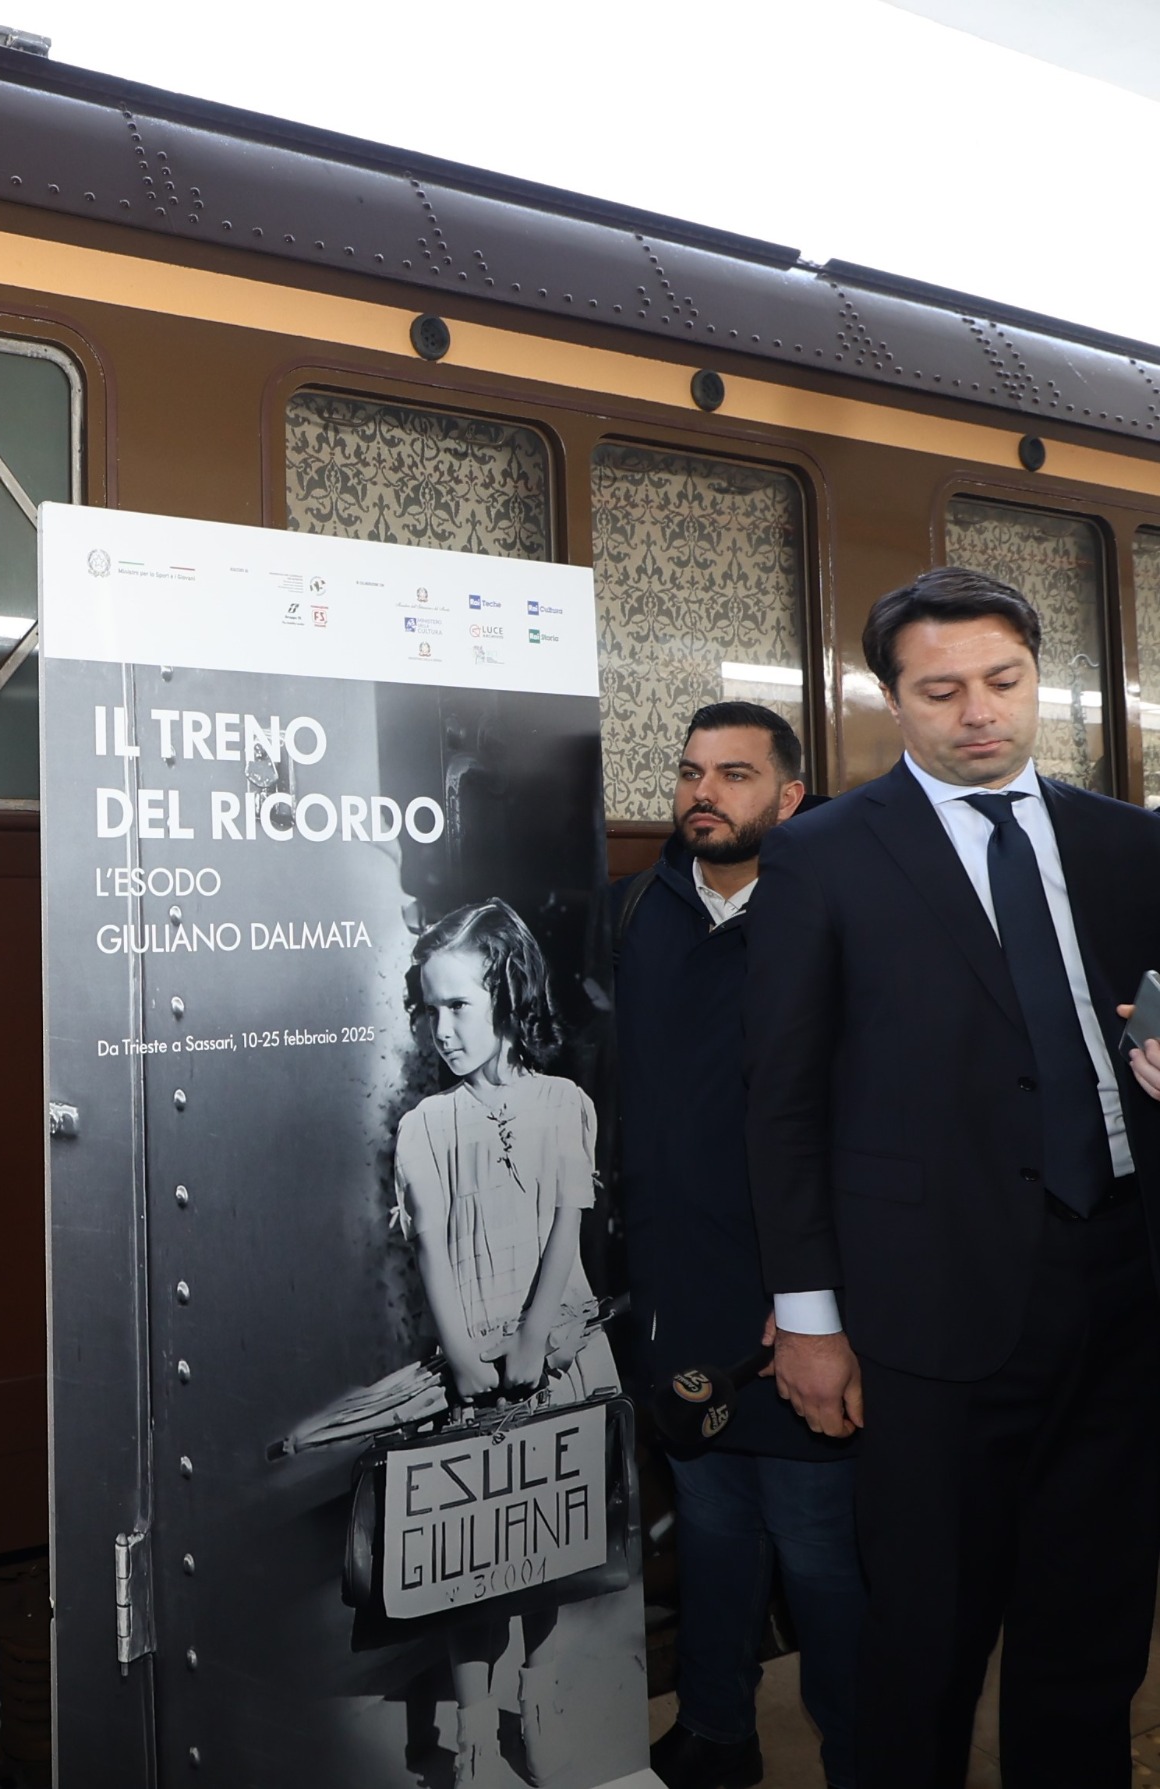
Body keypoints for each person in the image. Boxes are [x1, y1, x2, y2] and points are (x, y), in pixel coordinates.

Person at [747, 567, 1160, 1789]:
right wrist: (807, 1319)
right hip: (928, 1307)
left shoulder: (1130, 841)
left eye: (1003, 680)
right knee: (923, 1638)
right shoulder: (821, 854)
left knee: (1092, 1627)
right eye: (941, 691)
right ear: (890, 700)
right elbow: (780, 1102)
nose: (978, 712)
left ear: (1036, 679)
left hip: (1124, 1281)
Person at [615, 703, 859, 1789]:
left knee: (821, 1554)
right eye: (689, 772)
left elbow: (872, 1126)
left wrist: (824, 1302)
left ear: (789, 797)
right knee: (711, 1530)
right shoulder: (635, 913)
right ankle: (717, 1731)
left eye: (734, 773)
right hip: (680, 1299)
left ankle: (867, 1755)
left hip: (799, 1305)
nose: (702, 792)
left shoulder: (835, 916)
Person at [393, 897, 617, 1789]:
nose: (442, 1029)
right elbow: (429, 1248)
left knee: (548, 1537)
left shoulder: (565, 1104)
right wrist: (463, 1356)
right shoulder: (425, 1125)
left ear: (509, 993)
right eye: (429, 1009)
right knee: (472, 1552)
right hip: (471, 1362)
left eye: (459, 1005)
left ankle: (539, 1692)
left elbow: (567, 1226)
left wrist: (533, 1341)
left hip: (555, 1350)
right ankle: (475, 1727)